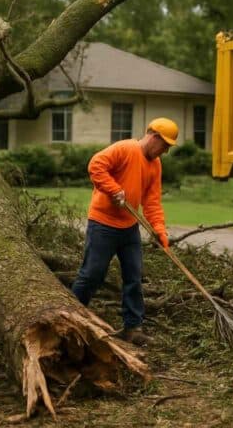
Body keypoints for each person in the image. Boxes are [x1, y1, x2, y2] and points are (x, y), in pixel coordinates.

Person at [71, 117, 178, 345]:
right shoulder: (125, 148)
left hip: (129, 227)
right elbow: (96, 165)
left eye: (169, 147)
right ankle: (70, 318)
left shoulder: (155, 164)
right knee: (92, 274)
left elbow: (152, 201)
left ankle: (133, 328)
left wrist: (159, 230)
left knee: (134, 276)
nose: (165, 151)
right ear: (153, 136)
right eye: (165, 145)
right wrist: (113, 190)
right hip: (103, 224)